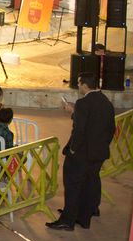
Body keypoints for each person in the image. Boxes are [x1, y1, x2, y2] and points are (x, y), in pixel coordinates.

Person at [47, 73, 115, 231]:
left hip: (82, 153)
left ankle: (68, 219)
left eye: (79, 84)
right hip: (99, 152)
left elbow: (80, 129)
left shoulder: (83, 103)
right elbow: (108, 127)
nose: (78, 86)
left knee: (72, 184)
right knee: (91, 181)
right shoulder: (106, 102)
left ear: (85, 85)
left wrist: (72, 149)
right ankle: (88, 211)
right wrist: (75, 112)